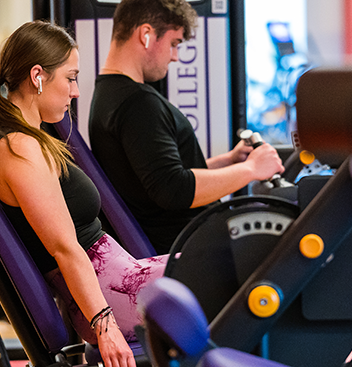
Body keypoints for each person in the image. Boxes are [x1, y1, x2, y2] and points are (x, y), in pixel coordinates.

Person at [0, 21, 166, 367]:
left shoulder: (26, 140)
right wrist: (105, 325)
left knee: (224, 258)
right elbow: (64, 247)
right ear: (37, 76)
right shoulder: (18, 148)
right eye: (70, 77)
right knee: (229, 266)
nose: (76, 91)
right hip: (111, 296)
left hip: (122, 282)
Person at [89, 0, 285, 255]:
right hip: (190, 253)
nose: (175, 56)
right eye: (173, 43)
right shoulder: (138, 103)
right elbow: (174, 189)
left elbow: (154, 178)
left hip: (189, 243)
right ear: (146, 34)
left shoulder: (109, 94)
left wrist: (228, 162)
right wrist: (251, 169)